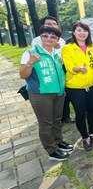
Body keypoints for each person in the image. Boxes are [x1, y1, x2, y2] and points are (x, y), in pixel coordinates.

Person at [20, 25, 73, 161]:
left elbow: (60, 73)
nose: (49, 39)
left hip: (59, 93)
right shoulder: (31, 53)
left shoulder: (56, 54)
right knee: (46, 123)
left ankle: (58, 141)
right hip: (40, 94)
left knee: (56, 120)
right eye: (45, 35)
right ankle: (52, 150)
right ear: (40, 36)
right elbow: (23, 75)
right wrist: (30, 63)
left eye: (53, 37)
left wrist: (63, 89)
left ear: (57, 39)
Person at [62, 22, 93, 151]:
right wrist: (78, 69)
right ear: (74, 32)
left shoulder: (92, 48)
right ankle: (85, 138)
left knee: (91, 111)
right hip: (75, 87)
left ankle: (92, 133)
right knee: (80, 113)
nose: (82, 33)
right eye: (79, 30)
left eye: (85, 31)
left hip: (92, 85)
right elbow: (69, 67)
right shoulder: (67, 48)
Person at [31, 16, 73, 124]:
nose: (52, 26)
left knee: (63, 97)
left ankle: (64, 117)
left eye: (54, 24)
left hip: (60, 71)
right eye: (49, 24)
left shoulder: (62, 40)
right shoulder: (37, 40)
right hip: (46, 74)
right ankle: (50, 127)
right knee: (47, 114)